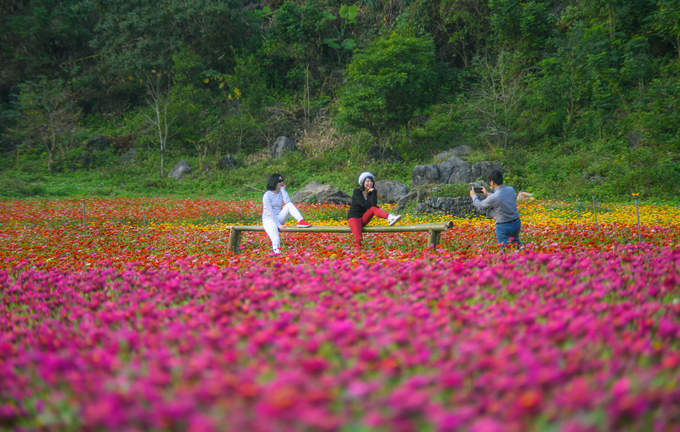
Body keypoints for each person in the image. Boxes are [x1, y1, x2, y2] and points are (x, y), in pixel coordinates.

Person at [347, 172, 401, 249]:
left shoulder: (370, 193)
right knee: (359, 240)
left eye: (371, 181)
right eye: (367, 181)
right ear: (363, 182)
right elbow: (363, 204)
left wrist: (374, 192)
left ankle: (389, 217)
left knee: (373, 209)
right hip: (354, 218)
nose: (370, 183)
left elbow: (373, 205)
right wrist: (376, 207)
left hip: (363, 218)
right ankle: (357, 257)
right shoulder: (357, 191)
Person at [470, 170, 521, 248]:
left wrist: (474, 196)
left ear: (492, 182)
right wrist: (487, 194)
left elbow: (480, 206)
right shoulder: (511, 189)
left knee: (505, 252)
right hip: (516, 223)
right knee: (517, 247)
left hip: (504, 226)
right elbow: (501, 197)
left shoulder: (493, 197)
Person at [262, 174, 312, 253]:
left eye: (282, 180)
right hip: (269, 220)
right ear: (274, 182)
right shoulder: (267, 195)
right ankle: (279, 257)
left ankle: (301, 221)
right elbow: (270, 212)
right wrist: (279, 225)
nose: (281, 182)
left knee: (289, 205)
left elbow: (288, 202)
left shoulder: (281, 192)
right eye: (279, 181)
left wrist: (283, 190)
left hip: (279, 217)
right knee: (276, 239)